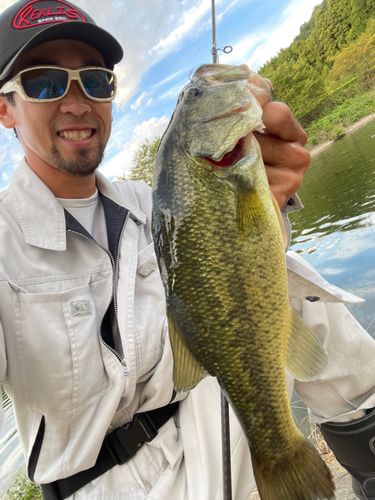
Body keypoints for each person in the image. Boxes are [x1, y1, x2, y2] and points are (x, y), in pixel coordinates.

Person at [0, 1, 374, 499]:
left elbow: (236, 262)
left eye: (95, 80)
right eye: (44, 83)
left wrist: (272, 198)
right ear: (6, 108)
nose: (76, 102)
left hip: (208, 412)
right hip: (113, 483)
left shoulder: (152, 201)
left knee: (290, 282)